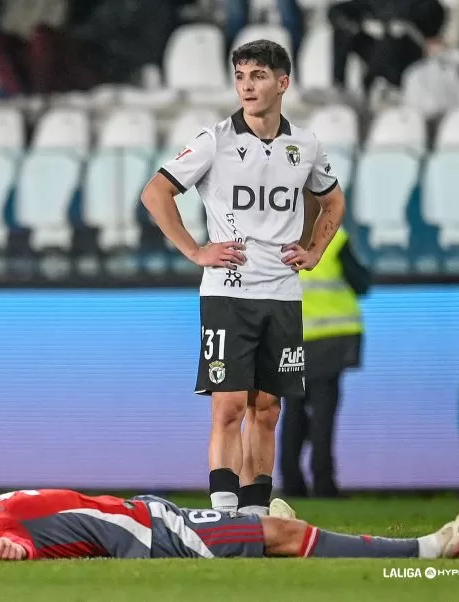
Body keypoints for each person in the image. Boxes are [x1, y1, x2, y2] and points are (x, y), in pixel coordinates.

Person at [140, 40, 346, 517]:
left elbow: (332, 200)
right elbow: (156, 193)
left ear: (282, 83)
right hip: (228, 293)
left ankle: (255, 514)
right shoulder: (215, 139)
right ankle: (223, 514)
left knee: (268, 408)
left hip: (282, 293)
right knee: (229, 405)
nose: (247, 86)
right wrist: (195, 250)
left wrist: (314, 249)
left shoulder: (306, 144)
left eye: (257, 76)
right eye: (240, 77)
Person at [0, 489, 459, 561]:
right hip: (157, 538)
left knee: (265, 524)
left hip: (144, 509)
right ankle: (429, 548)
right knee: (278, 540)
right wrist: (7, 559)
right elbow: (10, 553)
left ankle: (263, 518)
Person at [281, 226, 371, 498]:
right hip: (330, 341)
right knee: (322, 415)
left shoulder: (277, 235)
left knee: (293, 412)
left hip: (290, 337)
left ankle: (291, 483)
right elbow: (361, 283)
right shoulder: (333, 237)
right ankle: (323, 483)